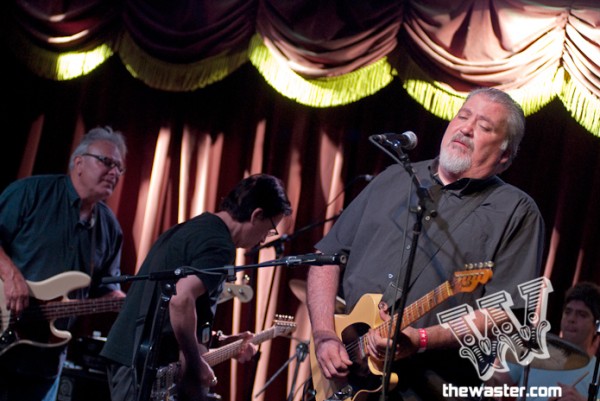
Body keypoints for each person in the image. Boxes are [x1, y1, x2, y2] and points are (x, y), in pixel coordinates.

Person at [306, 87, 546, 400]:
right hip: (348, 371)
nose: (466, 128)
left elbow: (505, 310)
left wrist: (421, 338)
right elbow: (326, 257)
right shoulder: (393, 177)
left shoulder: (516, 211)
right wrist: (325, 335)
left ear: (504, 155)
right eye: (463, 116)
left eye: (485, 127)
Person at [101, 173, 293, 401]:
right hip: (141, 362)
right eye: (269, 230)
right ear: (257, 214)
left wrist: (219, 340)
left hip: (131, 354)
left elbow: (171, 305)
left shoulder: (197, 227)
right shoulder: (220, 246)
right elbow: (181, 299)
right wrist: (195, 363)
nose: (263, 240)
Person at [0, 126, 128, 401]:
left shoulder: (111, 228)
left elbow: (106, 288)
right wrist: (11, 276)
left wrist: (127, 302)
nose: (115, 172)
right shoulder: (30, 193)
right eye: (107, 162)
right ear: (79, 162)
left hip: (44, 362)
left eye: (119, 167)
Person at [493, 282, 600, 401]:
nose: (571, 319)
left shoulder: (597, 372)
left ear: (596, 326)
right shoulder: (532, 350)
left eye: (582, 315)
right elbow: (496, 383)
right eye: (568, 312)